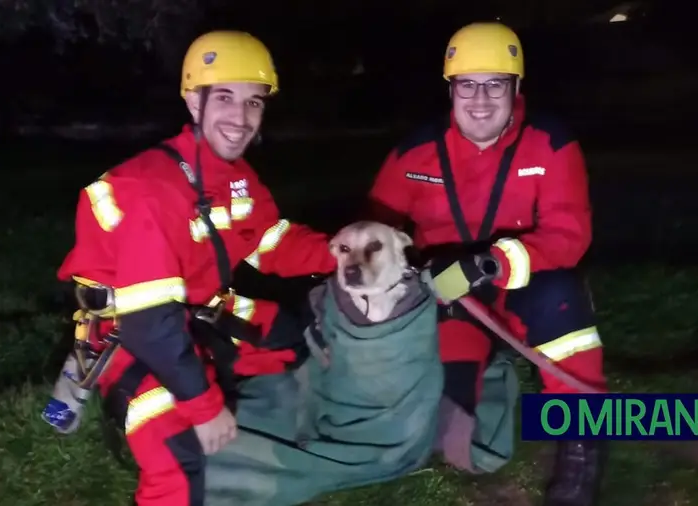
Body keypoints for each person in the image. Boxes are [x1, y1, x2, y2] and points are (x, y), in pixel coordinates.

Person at [56, 30, 335, 506]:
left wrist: (342, 252)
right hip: (135, 339)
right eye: (224, 97)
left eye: (254, 102)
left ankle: (219, 386)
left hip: (198, 313)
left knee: (295, 338)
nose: (241, 117)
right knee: (178, 459)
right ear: (192, 100)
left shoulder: (236, 176)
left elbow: (269, 243)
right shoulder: (151, 189)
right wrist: (204, 408)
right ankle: (151, 396)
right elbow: (149, 324)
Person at [365, 22, 607, 506]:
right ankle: (476, 371)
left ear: (516, 88)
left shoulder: (550, 142)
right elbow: (375, 229)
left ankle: (584, 446)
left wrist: (493, 263)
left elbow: (569, 233)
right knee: (452, 435)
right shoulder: (415, 151)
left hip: (527, 285)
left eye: (495, 83)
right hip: (452, 294)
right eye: (467, 85)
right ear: (450, 89)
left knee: (562, 302)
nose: (480, 99)